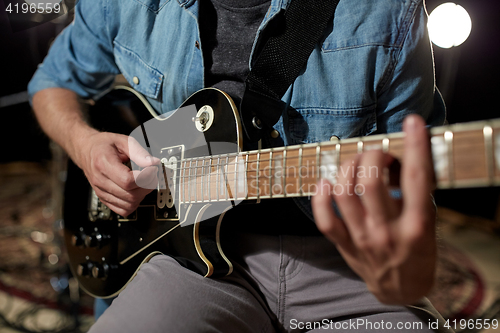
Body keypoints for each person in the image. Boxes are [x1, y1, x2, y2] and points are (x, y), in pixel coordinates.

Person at [28, 0, 451, 331]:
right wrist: (85, 146)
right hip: (188, 260)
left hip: (345, 265)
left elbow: (412, 217)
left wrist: (407, 274)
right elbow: (51, 83)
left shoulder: (391, 12)